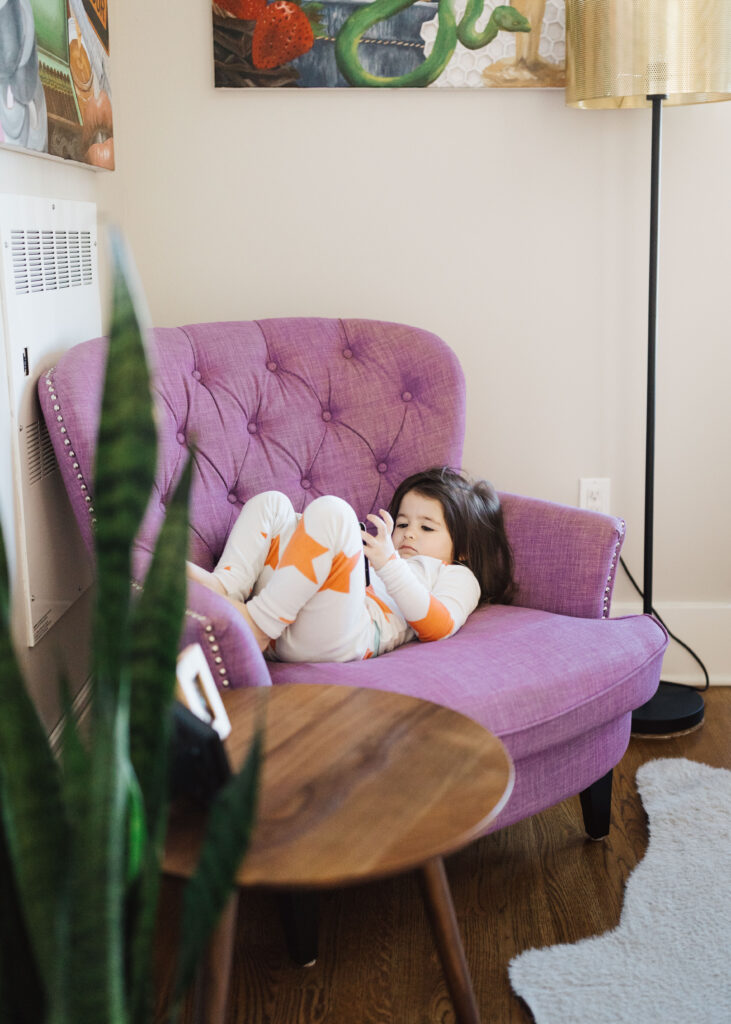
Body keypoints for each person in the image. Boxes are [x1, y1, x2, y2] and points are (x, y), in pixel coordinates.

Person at [186, 466, 515, 663]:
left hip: (338, 639)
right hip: (289, 620)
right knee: (273, 504)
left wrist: (390, 565)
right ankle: (224, 588)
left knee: (334, 512)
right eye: (402, 524)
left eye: (427, 528)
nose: (409, 534)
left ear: (463, 550)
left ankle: (256, 626)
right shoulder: (381, 554)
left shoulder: (456, 574)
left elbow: (439, 627)